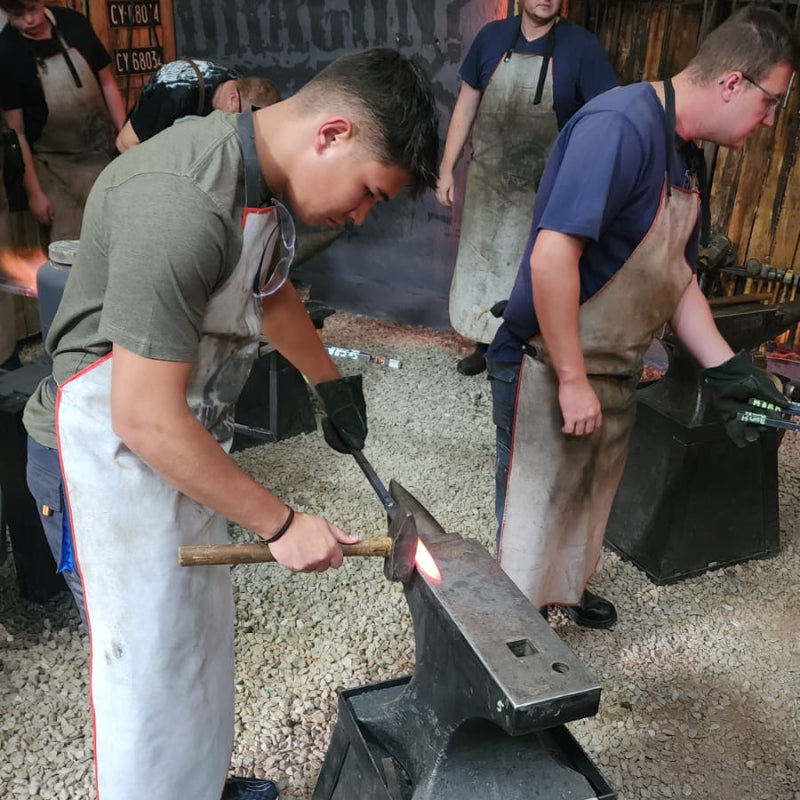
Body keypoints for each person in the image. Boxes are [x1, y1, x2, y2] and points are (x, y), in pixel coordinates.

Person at [21, 46, 438, 800]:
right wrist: (281, 524)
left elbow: (268, 292)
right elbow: (142, 416)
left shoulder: (260, 186)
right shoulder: (181, 198)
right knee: (146, 673)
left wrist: (330, 384)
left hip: (180, 446)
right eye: (369, 193)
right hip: (105, 460)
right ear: (332, 134)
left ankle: (199, 785)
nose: (361, 216)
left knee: (197, 643)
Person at [486, 5, 798, 629]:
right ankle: (512, 634)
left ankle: (563, 592)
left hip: (614, 364)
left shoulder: (686, 156)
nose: (769, 121)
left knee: (588, 495)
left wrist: (729, 373)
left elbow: (674, 278)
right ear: (732, 82)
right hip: (549, 361)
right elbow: (552, 258)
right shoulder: (620, 127)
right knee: (534, 510)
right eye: (771, 102)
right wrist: (572, 378)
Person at [436, 0, 617, 376]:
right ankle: (485, 344)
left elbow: (607, 116)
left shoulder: (582, 48)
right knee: (484, 263)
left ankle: (519, 353)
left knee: (529, 272)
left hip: (544, 190)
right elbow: (466, 106)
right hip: (488, 184)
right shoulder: (491, 38)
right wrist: (446, 168)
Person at [0, 0, 126, 243]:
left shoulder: (74, 23)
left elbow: (107, 83)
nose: (28, 20)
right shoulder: (8, 51)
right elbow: (17, 132)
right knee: (72, 247)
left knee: (121, 232)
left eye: (32, 10)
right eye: (18, 15)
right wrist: (35, 193)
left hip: (103, 154)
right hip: (54, 168)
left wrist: (125, 137)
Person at [115, 59, 281, 152]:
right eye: (242, 124)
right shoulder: (175, 95)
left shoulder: (234, 83)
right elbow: (125, 142)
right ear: (233, 100)